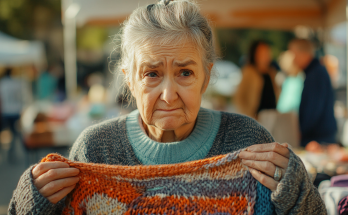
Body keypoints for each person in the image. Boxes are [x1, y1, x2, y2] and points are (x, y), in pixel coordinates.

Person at [9, 1, 325, 214]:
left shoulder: (247, 139)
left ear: (206, 76)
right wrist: (31, 202)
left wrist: (297, 189)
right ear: (129, 80)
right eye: (151, 74)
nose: (169, 95)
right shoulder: (96, 149)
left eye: (185, 73)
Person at [288, 39, 337, 147]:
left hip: (318, 139)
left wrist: (302, 131)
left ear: (303, 53)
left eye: (294, 55)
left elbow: (313, 109)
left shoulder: (316, 74)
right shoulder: (315, 72)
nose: (294, 60)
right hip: (319, 137)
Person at [235, 40, 281, 119]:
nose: (265, 55)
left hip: (271, 117)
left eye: (267, 52)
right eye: (262, 52)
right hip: (255, 119)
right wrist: (248, 115)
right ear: (255, 54)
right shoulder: (249, 72)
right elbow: (239, 98)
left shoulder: (271, 72)